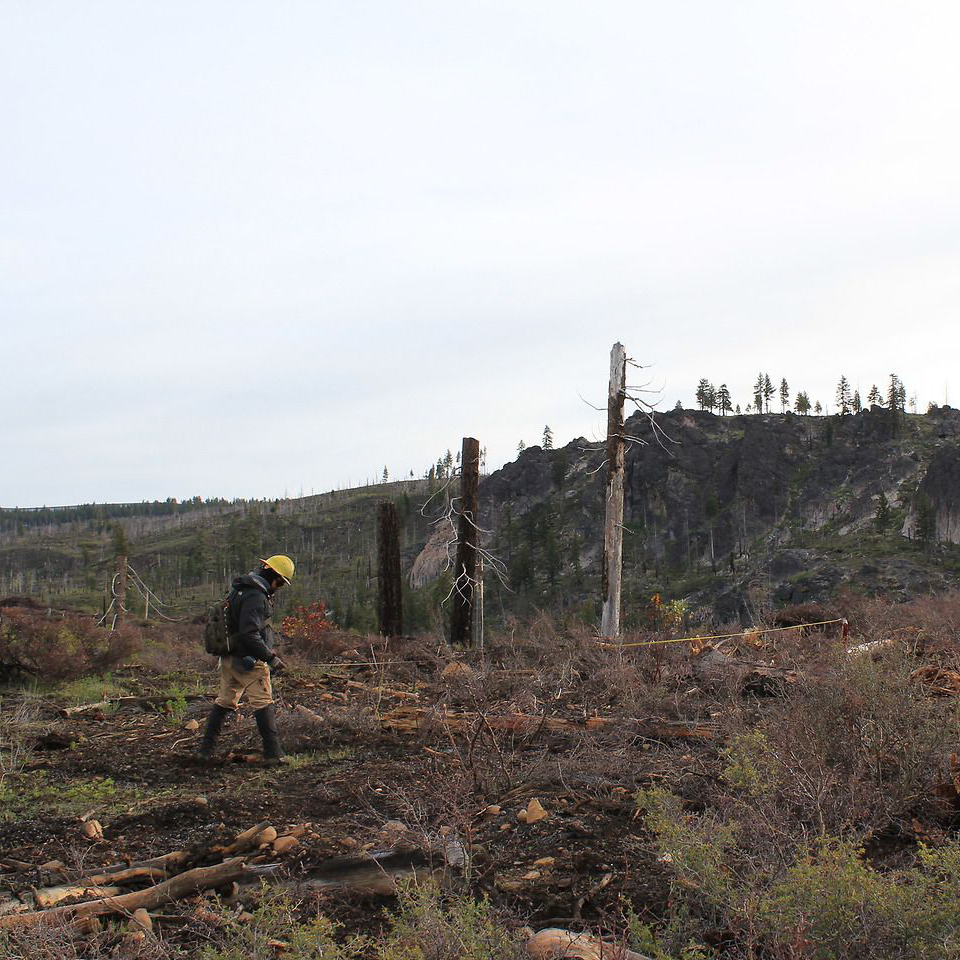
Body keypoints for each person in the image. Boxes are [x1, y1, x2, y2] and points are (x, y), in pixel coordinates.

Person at [198, 555, 295, 765]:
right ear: (276, 578)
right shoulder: (255, 596)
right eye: (281, 583)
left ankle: (205, 751)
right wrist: (270, 658)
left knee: (224, 701)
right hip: (248, 660)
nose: (279, 588)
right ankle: (273, 753)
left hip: (230, 658)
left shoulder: (241, 589)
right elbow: (249, 633)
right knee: (263, 702)